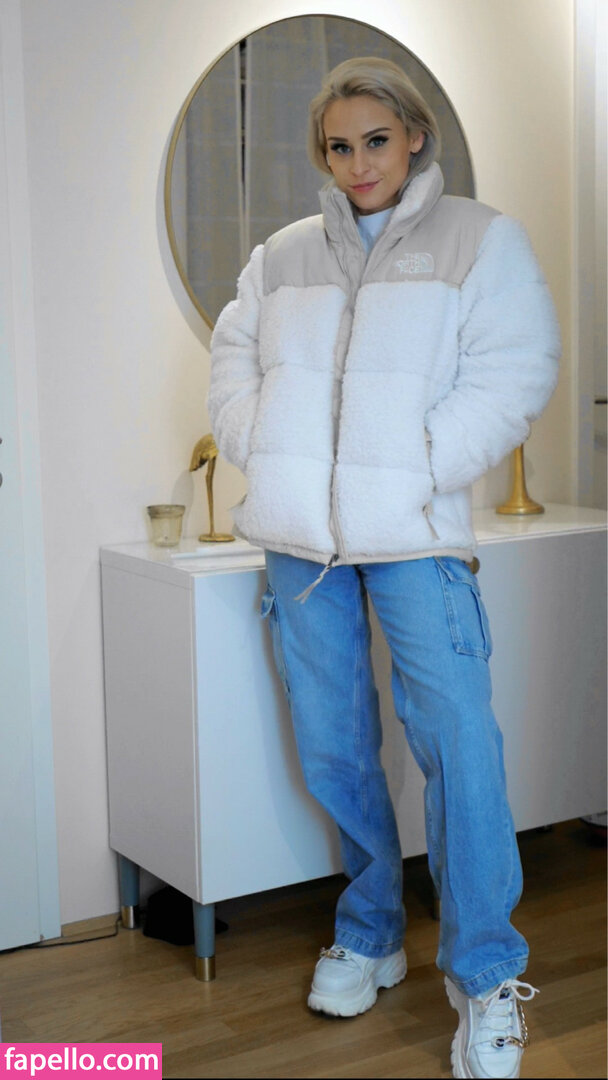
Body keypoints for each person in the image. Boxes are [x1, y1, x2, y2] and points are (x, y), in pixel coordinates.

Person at [208, 56, 560, 1080]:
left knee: (459, 748)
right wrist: (263, 443)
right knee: (333, 749)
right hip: (300, 544)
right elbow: (232, 364)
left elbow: (516, 368)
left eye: (375, 139)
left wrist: (420, 464)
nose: (358, 162)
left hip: (415, 536)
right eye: (338, 146)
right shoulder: (282, 255)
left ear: (413, 136)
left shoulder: (480, 239)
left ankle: (485, 977)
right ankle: (370, 929)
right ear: (322, 155)